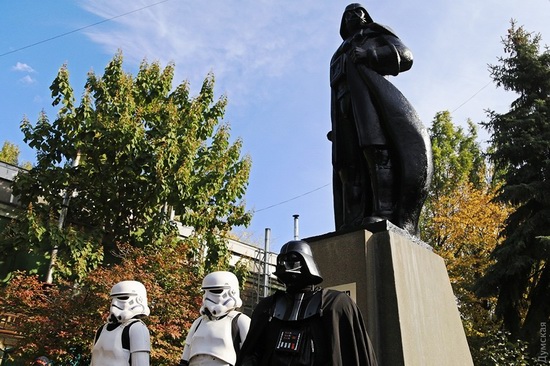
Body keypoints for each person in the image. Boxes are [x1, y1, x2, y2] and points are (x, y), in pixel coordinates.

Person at [329, 3, 432, 237]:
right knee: (347, 165)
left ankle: (384, 212)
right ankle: (352, 219)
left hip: (369, 103)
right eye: (348, 14)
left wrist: (370, 54)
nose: (354, 16)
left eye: (359, 11)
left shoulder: (375, 34)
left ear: (367, 17)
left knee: (376, 152)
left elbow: (405, 56)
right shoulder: (338, 53)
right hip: (343, 111)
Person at [236, 240, 378, 366]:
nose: (284, 265)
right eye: (281, 261)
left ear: (307, 263)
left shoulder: (335, 304)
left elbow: (351, 354)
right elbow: (252, 353)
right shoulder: (267, 308)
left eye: (292, 260)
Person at [178, 271, 251, 366]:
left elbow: (251, 354)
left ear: (232, 292)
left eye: (216, 291)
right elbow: (186, 352)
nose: (207, 297)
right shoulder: (199, 322)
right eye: (205, 292)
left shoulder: (239, 321)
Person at [90, 280, 151, 366]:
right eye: (113, 299)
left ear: (139, 299)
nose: (114, 303)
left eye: (123, 298)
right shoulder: (102, 329)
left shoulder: (137, 328)